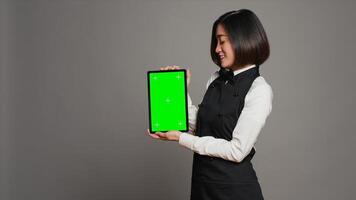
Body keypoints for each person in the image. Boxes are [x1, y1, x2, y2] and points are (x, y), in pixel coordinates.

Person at [147, 9, 272, 200]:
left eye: (222, 41)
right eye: (216, 41)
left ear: (243, 39)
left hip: (235, 191)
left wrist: (181, 138)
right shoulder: (215, 79)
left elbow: (237, 150)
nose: (216, 49)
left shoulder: (259, 89)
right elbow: (204, 125)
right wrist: (179, 94)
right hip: (203, 186)